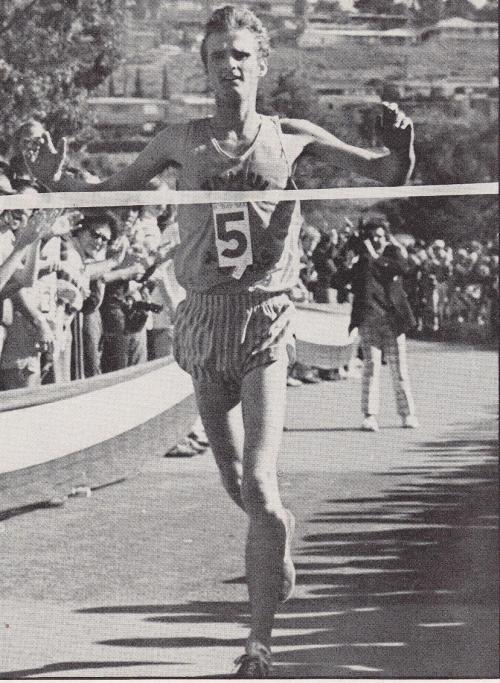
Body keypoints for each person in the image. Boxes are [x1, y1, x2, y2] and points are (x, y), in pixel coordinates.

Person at [25, 5, 415, 675]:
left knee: (259, 482)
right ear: (204, 68)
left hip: (264, 318)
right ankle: (275, 535)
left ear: (260, 64)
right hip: (204, 320)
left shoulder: (291, 137)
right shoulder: (181, 140)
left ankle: (258, 642)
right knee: (235, 479)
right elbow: (110, 192)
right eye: (216, 57)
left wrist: (402, 147)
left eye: (239, 54)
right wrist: (55, 175)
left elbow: (387, 175)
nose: (228, 65)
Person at [337, 214, 419, 433]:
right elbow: (340, 280)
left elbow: (401, 269)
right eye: (372, 236)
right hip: (369, 320)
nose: (376, 240)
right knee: (370, 368)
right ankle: (370, 415)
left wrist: (374, 256)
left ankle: (407, 414)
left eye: (380, 236)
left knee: (399, 370)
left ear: (387, 238)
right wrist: (347, 262)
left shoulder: (393, 255)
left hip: (393, 321)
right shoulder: (362, 259)